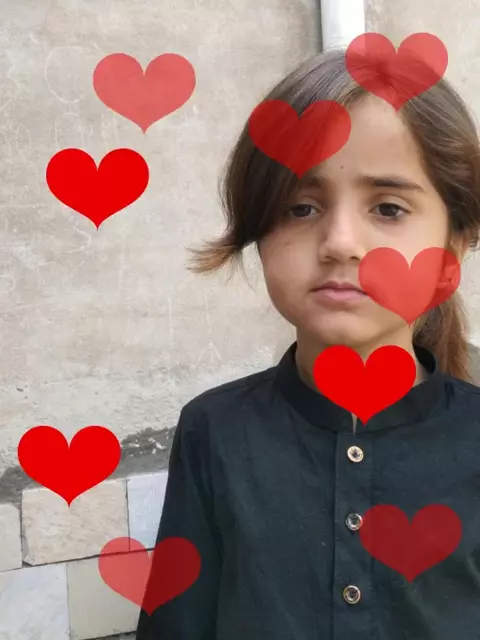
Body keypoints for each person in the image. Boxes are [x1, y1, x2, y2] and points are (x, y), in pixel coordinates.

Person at [135, 44, 480, 640]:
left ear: (455, 243)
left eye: (389, 208)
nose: (340, 241)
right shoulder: (213, 431)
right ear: (258, 233)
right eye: (300, 207)